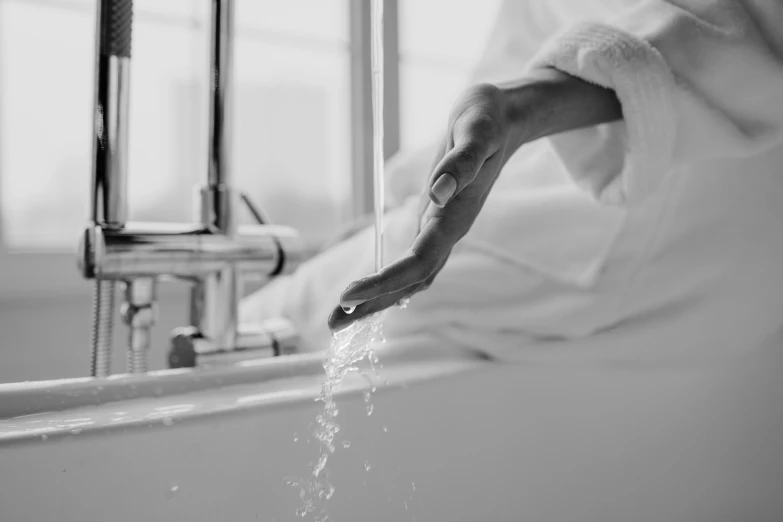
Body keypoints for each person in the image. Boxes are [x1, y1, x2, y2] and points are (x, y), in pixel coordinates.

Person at [242, 0, 783, 363]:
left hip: (632, 200)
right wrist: (408, 194)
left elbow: (730, 40)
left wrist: (521, 109)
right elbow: (515, 51)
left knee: (272, 323)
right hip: (734, 269)